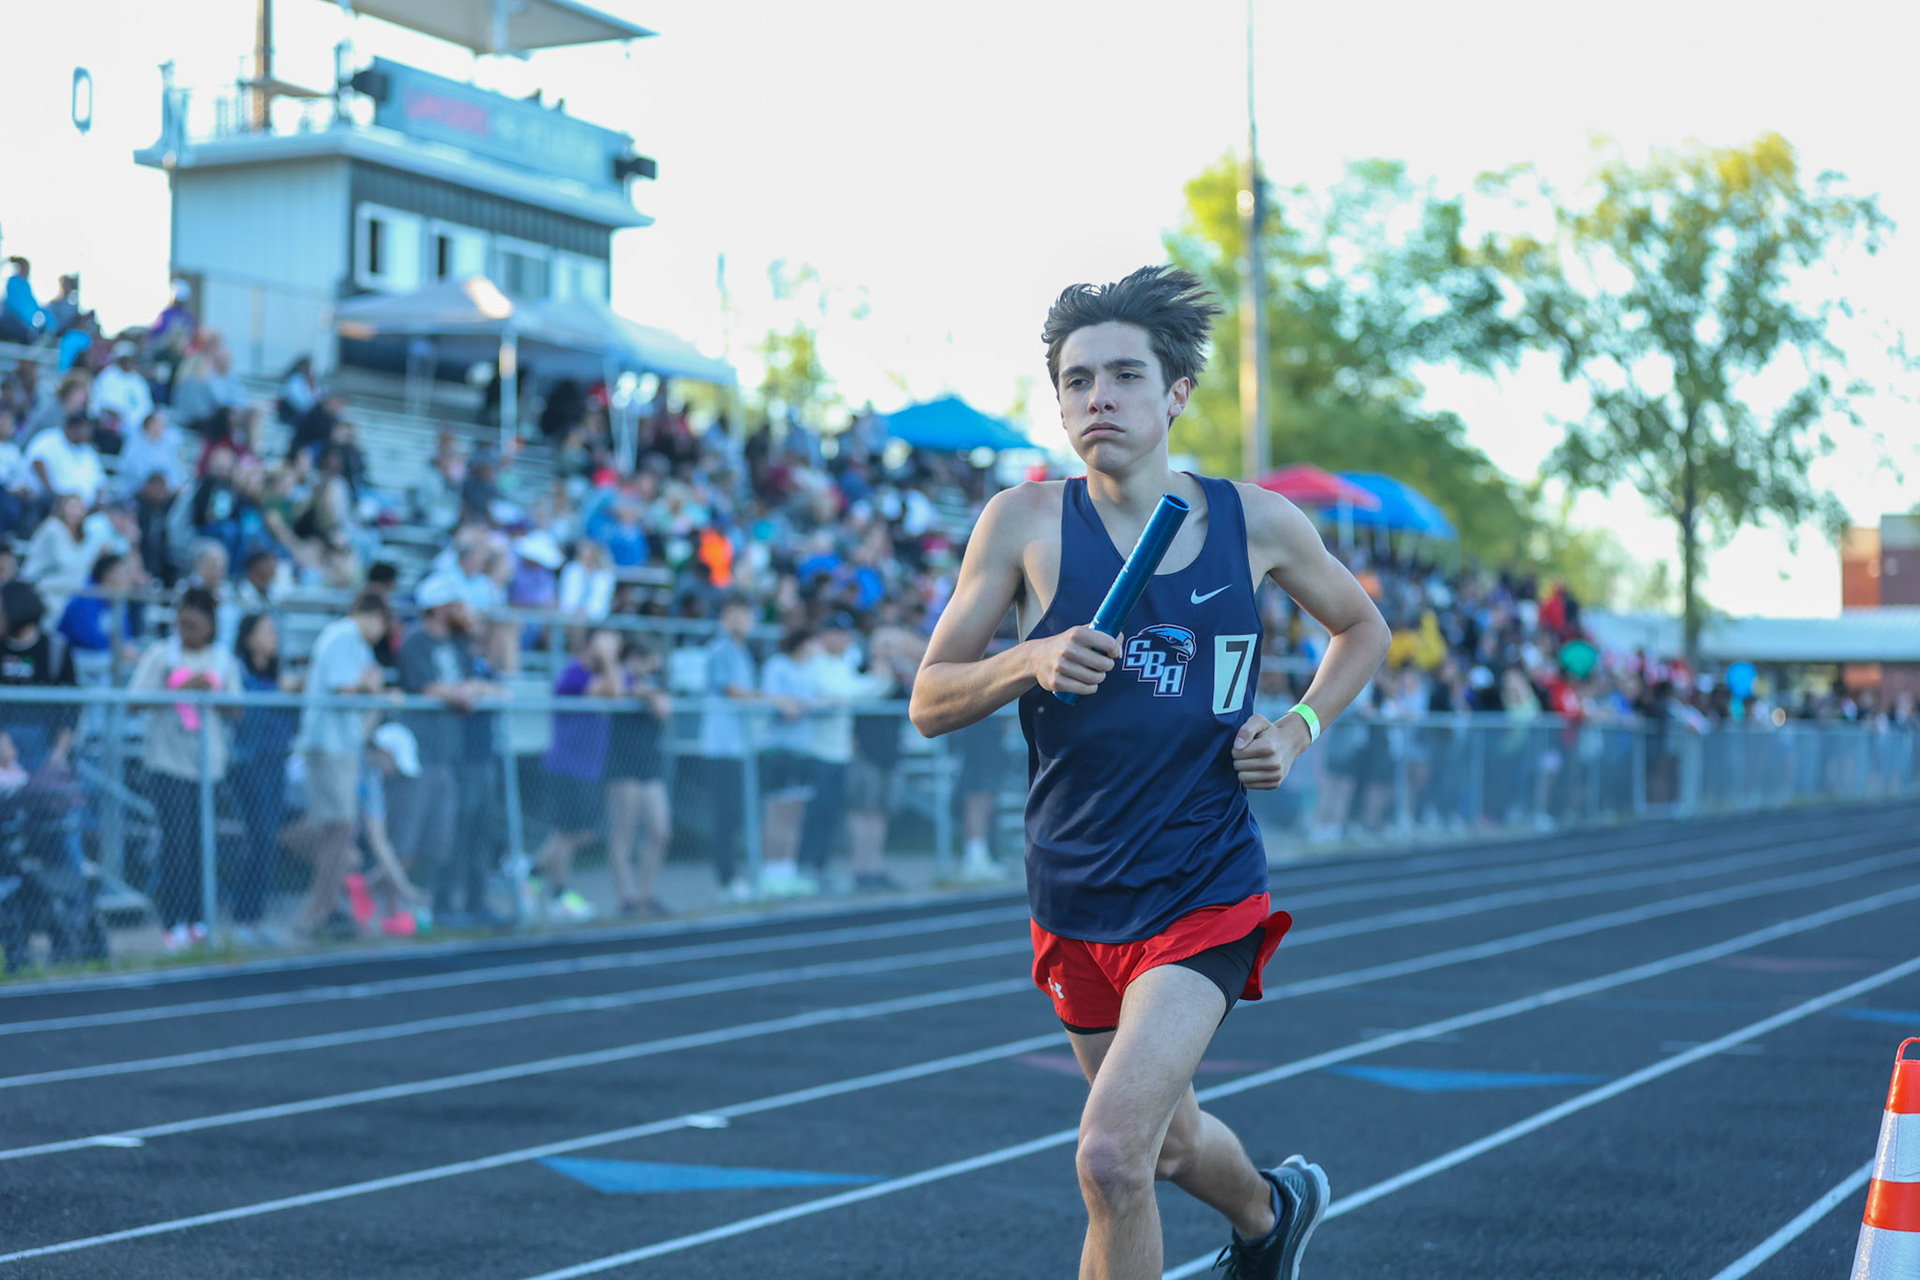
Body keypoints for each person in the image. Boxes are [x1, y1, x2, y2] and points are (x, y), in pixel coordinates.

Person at [908, 267, 1390, 1280]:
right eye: (1077, 380)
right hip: (1075, 890)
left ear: (1175, 393)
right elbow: (930, 698)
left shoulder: (1254, 520)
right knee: (1167, 1143)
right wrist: (1024, 659)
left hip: (1201, 883)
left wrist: (1297, 727)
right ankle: (1273, 1212)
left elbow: (1361, 627)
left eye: (1125, 375)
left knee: (1111, 1155)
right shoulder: (1023, 524)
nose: (1099, 398)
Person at [128, 588, 241, 951]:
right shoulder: (161, 654)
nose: (186, 631)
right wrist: (175, 686)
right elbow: (133, 703)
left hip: (209, 768)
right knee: (175, 842)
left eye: (194, 624)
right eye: (182, 624)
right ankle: (172, 922)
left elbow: (237, 710)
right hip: (167, 763)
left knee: (202, 845)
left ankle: (199, 920)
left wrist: (213, 692)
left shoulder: (222, 658)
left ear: (210, 625)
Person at [395, 574, 499, 926]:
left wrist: (470, 689)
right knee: (432, 832)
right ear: (439, 608)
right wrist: (457, 693)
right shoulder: (415, 643)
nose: (463, 611)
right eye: (455, 604)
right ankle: (434, 904)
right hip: (427, 751)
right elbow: (425, 686)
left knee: (471, 829)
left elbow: (480, 683)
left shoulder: (458, 643)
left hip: (458, 750)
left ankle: (470, 902)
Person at [287, 591, 389, 939]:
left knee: (339, 828)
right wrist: (371, 688)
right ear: (372, 614)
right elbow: (343, 691)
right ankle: (317, 909)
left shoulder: (351, 642)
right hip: (328, 745)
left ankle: (326, 907)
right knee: (339, 827)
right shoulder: (346, 636)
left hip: (339, 745)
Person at [528, 629, 621, 922]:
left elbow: (623, 689)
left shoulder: (606, 673)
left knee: (581, 832)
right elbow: (614, 691)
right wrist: (606, 659)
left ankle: (529, 871)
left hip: (589, 768)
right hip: (567, 765)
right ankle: (559, 894)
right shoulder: (574, 675)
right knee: (567, 832)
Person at [230, 612, 298, 945]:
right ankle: (243, 917)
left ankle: (257, 919)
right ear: (248, 637)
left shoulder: (277, 676)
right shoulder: (239, 673)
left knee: (268, 839)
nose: (273, 637)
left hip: (276, 761)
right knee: (258, 837)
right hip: (248, 763)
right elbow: (243, 716)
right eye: (266, 630)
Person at [693, 594, 760, 900]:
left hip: (737, 745)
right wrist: (772, 701)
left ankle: (731, 874)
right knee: (726, 814)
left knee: (734, 814)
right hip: (721, 745)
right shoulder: (721, 650)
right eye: (734, 614)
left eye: (745, 614)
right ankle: (725, 878)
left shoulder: (742, 652)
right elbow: (734, 692)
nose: (740, 621)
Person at [603, 637, 673, 917]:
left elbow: (663, 709)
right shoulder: (615, 679)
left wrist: (647, 691)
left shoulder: (655, 684)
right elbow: (619, 692)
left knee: (660, 830)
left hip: (648, 765)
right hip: (622, 764)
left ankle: (645, 894)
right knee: (624, 832)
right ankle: (626, 897)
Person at [757, 627, 819, 896]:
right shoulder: (778, 666)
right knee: (777, 811)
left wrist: (803, 705)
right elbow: (779, 704)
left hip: (803, 749)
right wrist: (802, 705)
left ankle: (787, 870)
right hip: (780, 749)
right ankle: (770, 872)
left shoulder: (811, 669)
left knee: (795, 813)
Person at [25, 411, 105, 509]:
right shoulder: (49, 439)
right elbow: (37, 462)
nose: (88, 432)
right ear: (71, 427)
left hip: (83, 509)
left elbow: (100, 482)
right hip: (51, 504)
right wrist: (54, 495)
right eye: (84, 428)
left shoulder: (88, 451)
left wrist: (97, 502)